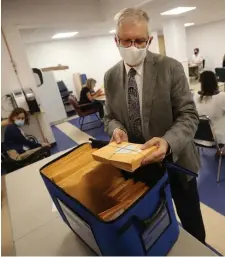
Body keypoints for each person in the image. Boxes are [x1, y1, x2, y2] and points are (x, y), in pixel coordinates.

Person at [104, 8, 205, 243]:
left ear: (149, 40)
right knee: (152, 223)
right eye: (126, 40)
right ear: (116, 41)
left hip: (177, 161)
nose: (133, 46)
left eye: (139, 41)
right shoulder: (110, 77)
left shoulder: (170, 68)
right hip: (138, 167)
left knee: (192, 223)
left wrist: (167, 142)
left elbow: (189, 115)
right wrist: (116, 130)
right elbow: (109, 117)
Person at [194, 71, 225, 144]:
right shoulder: (222, 97)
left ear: (201, 83)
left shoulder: (195, 97)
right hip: (218, 143)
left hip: (196, 141)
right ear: (215, 81)